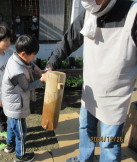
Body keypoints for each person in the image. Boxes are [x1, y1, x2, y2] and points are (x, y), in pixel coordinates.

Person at [43, 0, 137, 161]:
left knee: (109, 143)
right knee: (85, 128)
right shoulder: (89, 13)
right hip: (90, 91)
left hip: (115, 97)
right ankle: (84, 158)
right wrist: (50, 65)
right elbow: (68, 41)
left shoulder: (133, 14)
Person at [2, 35, 46, 162]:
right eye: (33, 54)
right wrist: (42, 80)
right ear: (23, 53)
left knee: (11, 125)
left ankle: (9, 146)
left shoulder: (15, 57)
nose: (34, 57)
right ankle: (20, 156)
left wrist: (36, 68)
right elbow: (26, 87)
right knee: (21, 132)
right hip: (17, 106)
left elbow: (28, 62)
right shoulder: (18, 71)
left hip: (10, 103)